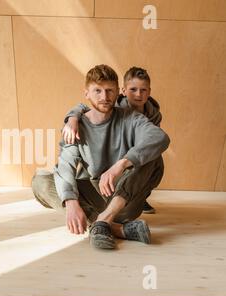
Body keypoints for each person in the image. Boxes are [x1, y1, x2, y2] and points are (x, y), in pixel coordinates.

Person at [31, 64, 170, 250]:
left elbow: (160, 137)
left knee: (150, 154)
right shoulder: (76, 126)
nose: (104, 97)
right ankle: (114, 228)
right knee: (40, 181)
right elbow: (66, 165)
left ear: (117, 92)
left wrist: (120, 165)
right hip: (95, 195)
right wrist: (71, 203)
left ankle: (103, 220)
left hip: (124, 199)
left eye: (109, 91)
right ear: (86, 93)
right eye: (97, 91)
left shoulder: (131, 118)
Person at [62, 67, 162, 214]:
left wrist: (122, 165)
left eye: (143, 90)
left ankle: (136, 197)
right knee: (46, 181)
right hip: (102, 172)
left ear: (149, 91)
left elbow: (156, 140)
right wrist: (72, 117)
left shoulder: (152, 115)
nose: (138, 95)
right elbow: (86, 107)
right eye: (133, 89)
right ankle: (107, 222)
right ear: (123, 91)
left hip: (127, 170)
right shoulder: (112, 107)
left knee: (153, 155)